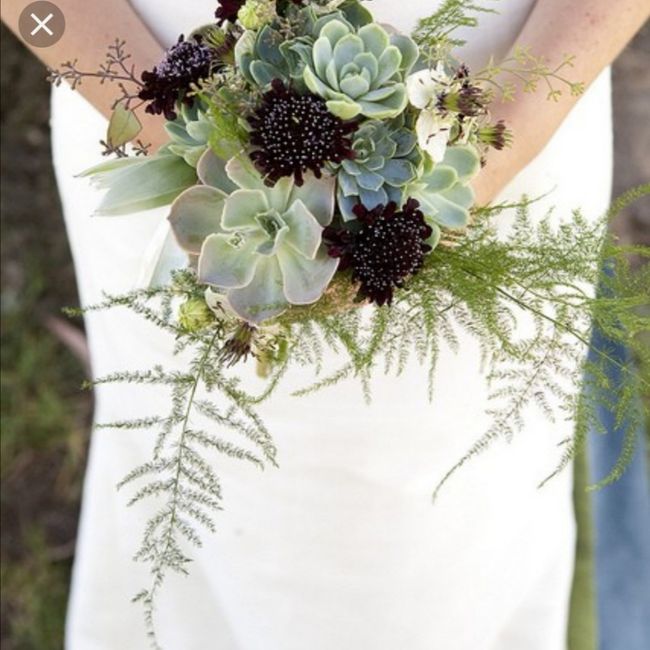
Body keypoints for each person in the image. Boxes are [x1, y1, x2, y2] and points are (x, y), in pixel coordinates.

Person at [2, 1, 648, 649]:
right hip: (147, 101)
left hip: (505, 118)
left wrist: (492, 154)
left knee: (461, 522)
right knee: (202, 507)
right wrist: (184, 143)